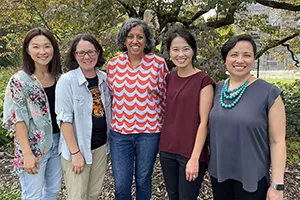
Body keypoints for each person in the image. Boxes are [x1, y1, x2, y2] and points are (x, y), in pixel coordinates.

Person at [208, 34, 286, 200]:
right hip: (219, 173)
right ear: (225, 59)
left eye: (247, 55)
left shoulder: (269, 93)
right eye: (234, 55)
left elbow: (277, 141)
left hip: (252, 177)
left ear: (254, 59)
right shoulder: (215, 90)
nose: (240, 60)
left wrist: (277, 185)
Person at [106, 18, 169, 200]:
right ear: (124, 40)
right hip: (120, 134)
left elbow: (164, 98)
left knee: (143, 180)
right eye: (130, 36)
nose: (135, 41)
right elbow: (110, 98)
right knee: (121, 184)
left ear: (147, 40)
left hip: (149, 133)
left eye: (140, 36)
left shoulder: (158, 64)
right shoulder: (113, 65)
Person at [2, 28, 62, 200]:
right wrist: (27, 154)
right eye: (36, 47)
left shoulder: (59, 77)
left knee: (53, 190)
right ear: (28, 50)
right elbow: (17, 119)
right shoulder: (19, 80)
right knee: (32, 195)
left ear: (54, 49)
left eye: (47, 46)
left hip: (58, 143)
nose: (42, 52)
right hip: (33, 146)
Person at [158, 28, 215, 200]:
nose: (180, 54)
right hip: (167, 149)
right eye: (175, 49)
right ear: (169, 53)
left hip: (191, 153)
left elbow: (204, 122)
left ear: (193, 50)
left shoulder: (204, 81)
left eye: (185, 49)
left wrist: (194, 158)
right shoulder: (168, 79)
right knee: (173, 196)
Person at [55, 34, 111, 200]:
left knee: (93, 194)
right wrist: (75, 153)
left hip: (100, 148)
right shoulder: (67, 81)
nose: (87, 57)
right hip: (78, 149)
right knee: (77, 196)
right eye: (81, 53)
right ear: (74, 55)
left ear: (98, 53)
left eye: (91, 52)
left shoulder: (105, 79)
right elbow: (64, 120)